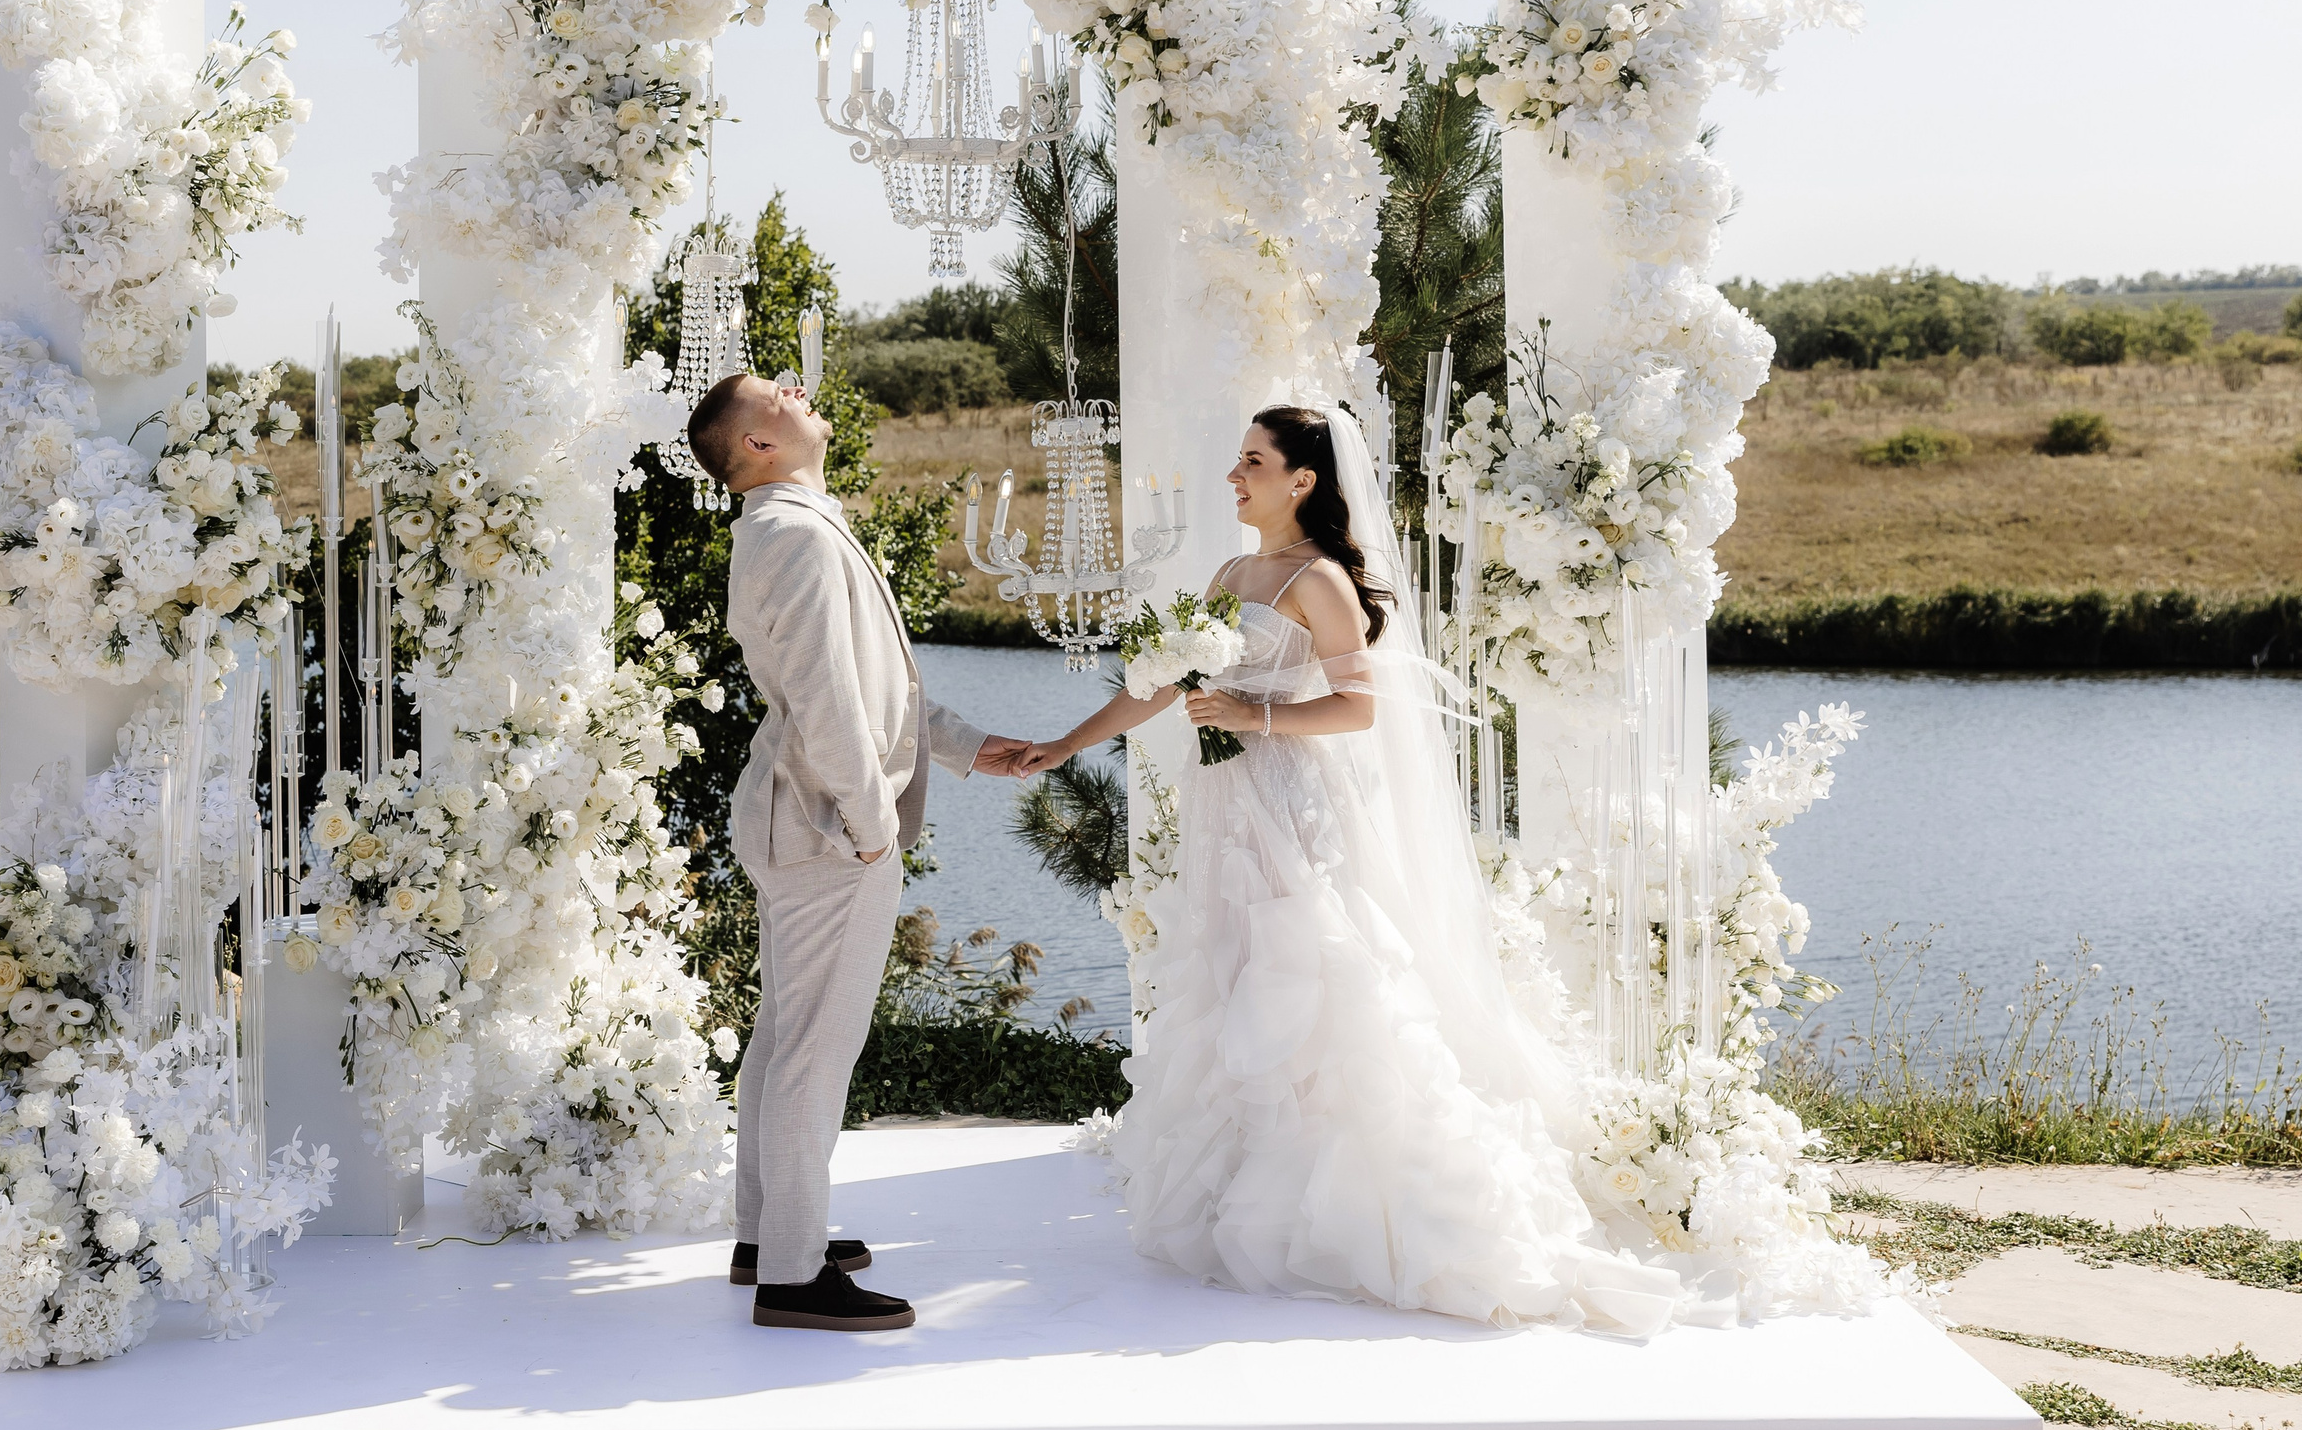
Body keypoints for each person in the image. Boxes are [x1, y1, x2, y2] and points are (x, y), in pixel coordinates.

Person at [1019, 405, 1692, 1334]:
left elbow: (1355, 710)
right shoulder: (1230, 573)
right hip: (1225, 809)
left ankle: (1359, 1203)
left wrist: (1250, 718)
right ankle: (1251, 1196)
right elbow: (1162, 685)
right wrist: (1063, 744)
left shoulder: (1320, 579)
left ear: (1302, 479)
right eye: (1238, 457)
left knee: (1315, 973)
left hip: (1288, 799)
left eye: (1251, 460)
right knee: (1233, 977)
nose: (1234, 476)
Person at [687, 371, 1034, 1333]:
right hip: (827, 826)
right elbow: (828, 703)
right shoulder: (790, 533)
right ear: (756, 445)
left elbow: (877, 684)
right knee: (813, 1045)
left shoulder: (794, 521)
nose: (801, 388)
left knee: (783, 1032)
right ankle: (792, 1274)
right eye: (777, 392)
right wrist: (873, 825)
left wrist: (965, 746)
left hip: (806, 818)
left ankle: (769, 1231)